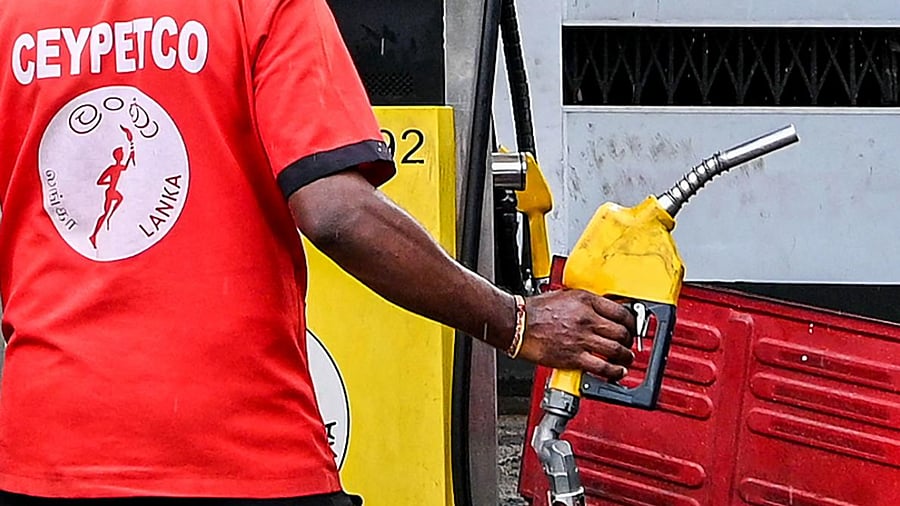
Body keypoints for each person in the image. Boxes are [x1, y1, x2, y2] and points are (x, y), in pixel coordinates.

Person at [0, 1, 635, 505]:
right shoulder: (263, 5)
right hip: (241, 453)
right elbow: (335, 213)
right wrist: (517, 321)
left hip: (42, 451)